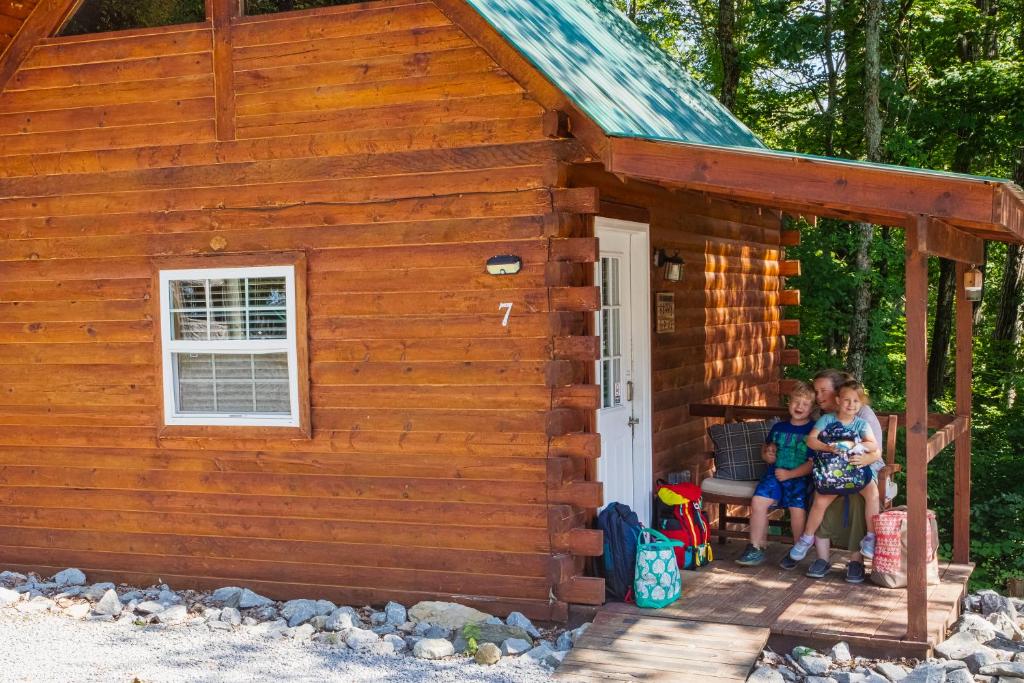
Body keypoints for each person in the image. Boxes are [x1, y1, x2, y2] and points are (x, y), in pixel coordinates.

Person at [799, 369, 885, 582]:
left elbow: (876, 452)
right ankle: (821, 559)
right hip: (830, 470)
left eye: (823, 390)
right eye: (816, 391)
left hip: (863, 468)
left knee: (857, 498)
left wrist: (863, 459)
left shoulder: (862, 413)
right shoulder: (821, 416)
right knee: (821, 493)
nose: (818, 396)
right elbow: (813, 444)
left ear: (838, 391)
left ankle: (856, 561)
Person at [736, 382, 816, 567]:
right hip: (774, 475)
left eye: (805, 404)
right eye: (796, 402)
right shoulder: (779, 427)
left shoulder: (813, 430)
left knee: (797, 510)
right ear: (789, 403)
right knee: (758, 501)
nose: (799, 407)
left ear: (811, 408)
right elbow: (767, 450)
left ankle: (796, 551)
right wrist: (767, 456)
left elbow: (812, 463)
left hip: (799, 478)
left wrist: (790, 474)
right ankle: (755, 547)